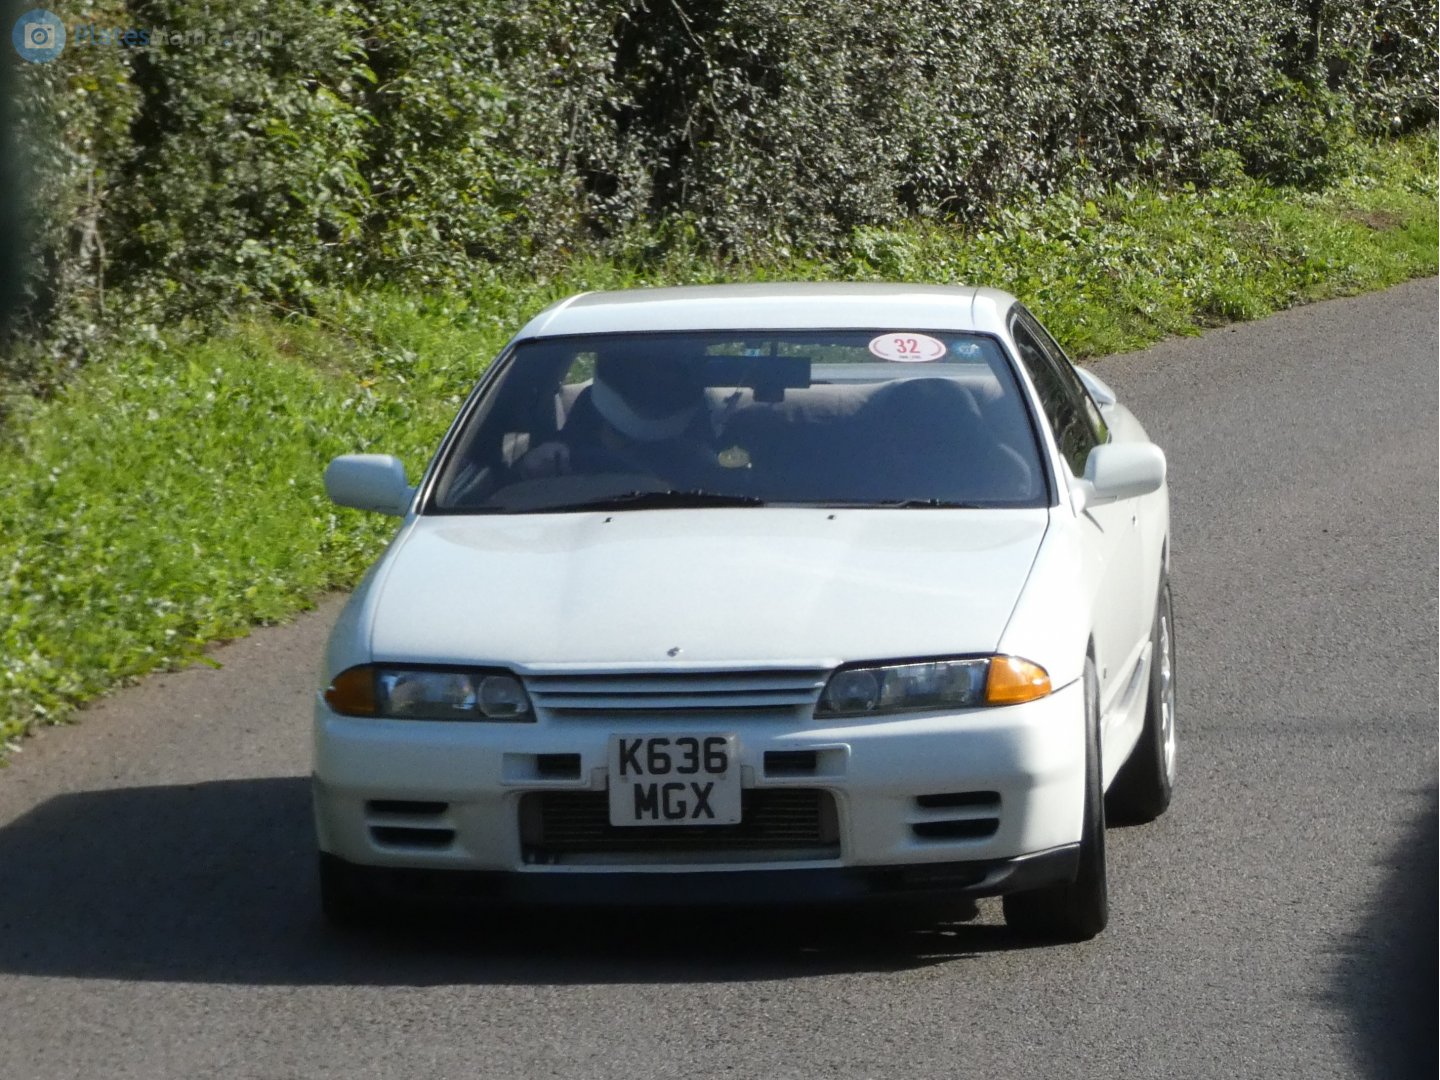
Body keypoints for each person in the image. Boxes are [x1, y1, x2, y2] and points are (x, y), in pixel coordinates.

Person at [518, 348, 722, 484]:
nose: (651, 384)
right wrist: (534, 463)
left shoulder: (694, 452)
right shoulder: (582, 421)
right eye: (640, 375)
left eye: (666, 374)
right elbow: (562, 444)